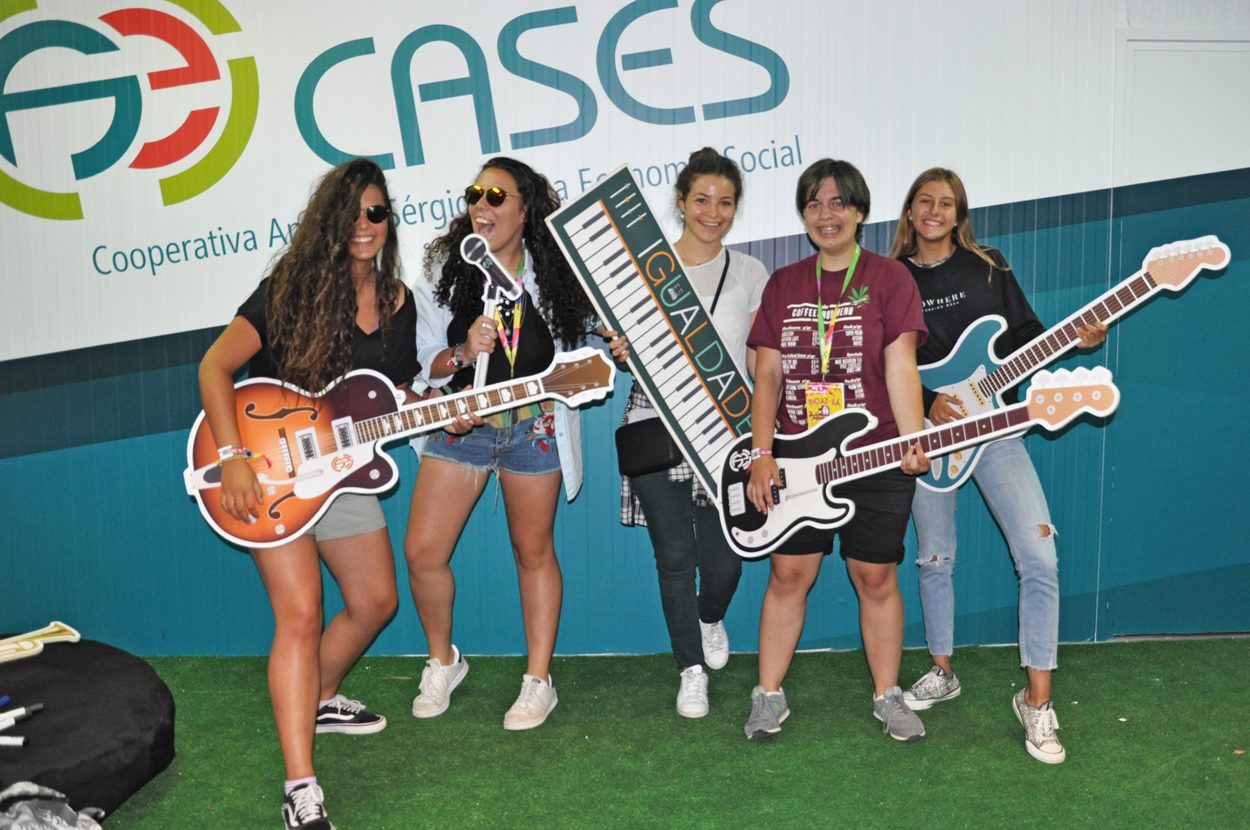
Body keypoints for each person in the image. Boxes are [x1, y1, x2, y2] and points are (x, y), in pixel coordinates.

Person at [198, 158, 416, 830]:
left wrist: (444, 411)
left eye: (375, 212)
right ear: (330, 220)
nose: (363, 225)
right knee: (299, 614)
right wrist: (232, 459)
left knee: (376, 600)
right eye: (351, 212)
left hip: (341, 472)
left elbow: (393, 394)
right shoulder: (289, 289)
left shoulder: (398, 301)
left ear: (388, 220)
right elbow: (215, 366)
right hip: (268, 473)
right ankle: (300, 787)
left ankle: (316, 697)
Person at [889, 167, 1106, 764]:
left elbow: (1025, 335)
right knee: (935, 558)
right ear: (909, 212)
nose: (935, 211)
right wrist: (925, 401)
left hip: (996, 427)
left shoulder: (989, 265)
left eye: (947, 203)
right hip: (930, 432)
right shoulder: (892, 275)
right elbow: (885, 358)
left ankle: (1037, 702)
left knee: (1040, 556)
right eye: (925, 201)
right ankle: (942, 669)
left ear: (960, 215)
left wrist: (1075, 339)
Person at [404, 156, 604, 731]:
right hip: (461, 427)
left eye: (496, 196)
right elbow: (425, 361)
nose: (481, 206)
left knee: (532, 551)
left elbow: (603, 324)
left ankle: (539, 680)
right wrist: (463, 352)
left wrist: (617, 339)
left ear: (525, 209)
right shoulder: (445, 270)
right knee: (422, 552)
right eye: (474, 195)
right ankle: (443, 660)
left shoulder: (559, 272)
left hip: (533, 427)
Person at [743, 158, 931, 743]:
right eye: (814, 204)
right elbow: (767, 375)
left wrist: (913, 437)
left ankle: (888, 694)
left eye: (839, 203)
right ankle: (768, 694)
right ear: (804, 214)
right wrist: (761, 453)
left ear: (860, 211)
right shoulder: (783, 283)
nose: (827, 215)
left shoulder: (890, 278)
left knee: (874, 575)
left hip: (874, 454)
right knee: (788, 572)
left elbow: (901, 366)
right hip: (797, 459)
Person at [618, 148, 770, 718]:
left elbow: (757, 361)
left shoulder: (750, 271)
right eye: (701, 199)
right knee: (675, 556)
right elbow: (625, 350)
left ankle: (709, 617)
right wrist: (622, 348)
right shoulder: (642, 269)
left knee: (727, 558)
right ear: (680, 201)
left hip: (725, 428)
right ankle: (690, 670)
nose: (712, 212)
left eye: (725, 202)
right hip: (654, 423)